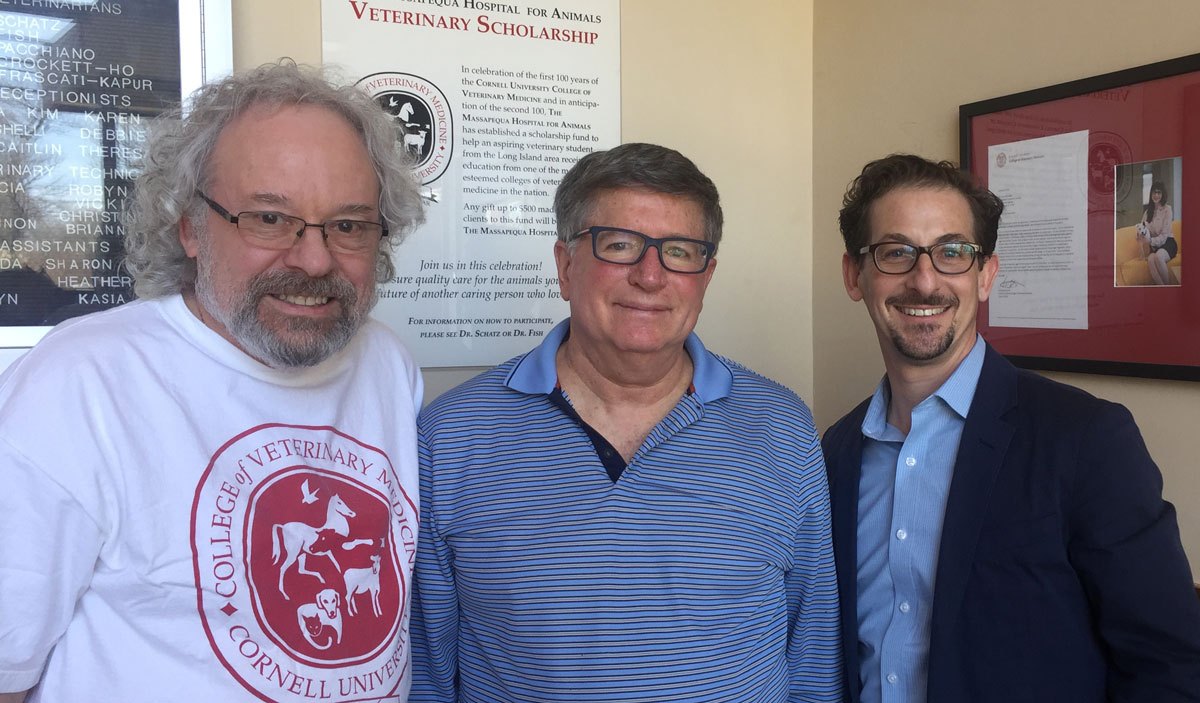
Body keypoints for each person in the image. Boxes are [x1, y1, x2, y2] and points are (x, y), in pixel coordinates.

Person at [0, 61, 426, 702]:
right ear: (189, 227)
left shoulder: (386, 365)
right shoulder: (79, 384)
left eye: (348, 225)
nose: (314, 259)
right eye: (269, 219)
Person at [411, 142, 841, 702]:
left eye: (680, 252)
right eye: (619, 245)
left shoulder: (781, 428)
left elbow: (812, 655)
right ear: (566, 266)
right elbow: (425, 670)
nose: (650, 275)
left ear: (706, 276)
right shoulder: (450, 437)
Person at [823, 153, 1200, 703]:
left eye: (953, 252)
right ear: (855, 275)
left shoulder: (1086, 439)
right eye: (895, 252)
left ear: (986, 276)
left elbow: (1168, 664)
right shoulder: (835, 451)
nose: (924, 280)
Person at [1138, 180, 1177, 285]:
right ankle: (1162, 289)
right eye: (1154, 192)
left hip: (1168, 242)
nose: (1156, 195)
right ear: (1151, 194)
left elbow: (1164, 235)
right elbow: (1142, 229)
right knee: (1151, 259)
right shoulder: (1147, 212)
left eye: (1159, 192)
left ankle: (1169, 288)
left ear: (1162, 194)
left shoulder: (1167, 209)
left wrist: (1150, 240)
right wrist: (1140, 237)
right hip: (1154, 246)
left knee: (1158, 256)